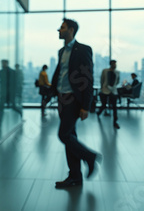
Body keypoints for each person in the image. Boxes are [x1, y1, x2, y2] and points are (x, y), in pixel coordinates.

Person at [51, 18, 101, 189]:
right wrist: (52, 92)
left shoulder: (83, 50)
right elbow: (60, 73)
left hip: (73, 99)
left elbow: (87, 78)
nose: (59, 30)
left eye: (62, 28)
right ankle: (75, 176)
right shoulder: (61, 51)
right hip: (62, 98)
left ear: (71, 30)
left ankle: (90, 157)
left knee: (63, 135)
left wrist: (86, 106)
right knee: (70, 136)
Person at [97, 60, 121, 129]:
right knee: (104, 105)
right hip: (105, 90)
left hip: (113, 91)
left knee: (114, 107)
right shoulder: (105, 71)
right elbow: (102, 80)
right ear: (111, 64)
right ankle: (98, 113)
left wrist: (113, 87)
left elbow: (117, 81)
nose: (115, 65)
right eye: (113, 64)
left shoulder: (117, 72)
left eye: (115, 64)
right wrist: (102, 88)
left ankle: (115, 122)